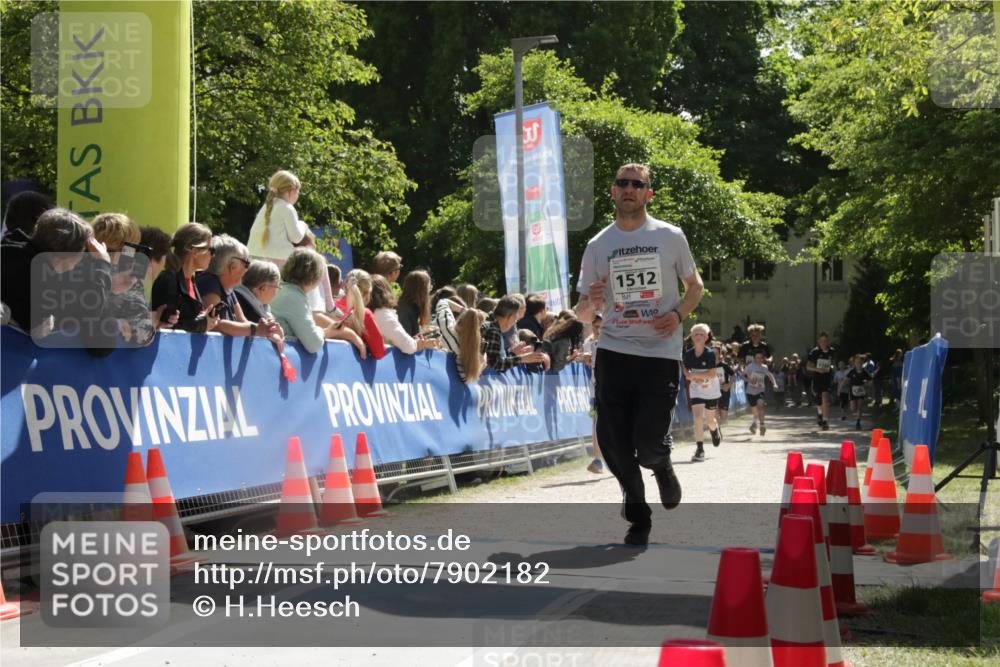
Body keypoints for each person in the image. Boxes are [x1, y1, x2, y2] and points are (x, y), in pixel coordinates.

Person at [575, 163, 704, 546]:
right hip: (614, 349)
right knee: (612, 440)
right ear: (613, 192)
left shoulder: (670, 236)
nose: (629, 188)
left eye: (637, 184)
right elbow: (582, 310)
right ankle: (638, 514)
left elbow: (695, 286)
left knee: (647, 442)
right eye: (622, 183)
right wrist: (591, 304)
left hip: (659, 353)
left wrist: (678, 313)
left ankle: (661, 465)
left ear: (648, 193)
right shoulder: (598, 245)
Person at [1, 207, 117, 354]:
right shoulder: (43, 279)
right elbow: (91, 313)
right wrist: (103, 264)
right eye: (82, 250)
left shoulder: (10, 250)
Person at [247, 170, 334, 313]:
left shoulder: (266, 207)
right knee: (313, 263)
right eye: (297, 191)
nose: (298, 195)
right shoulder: (287, 208)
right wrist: (303, 224)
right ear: (291, 191)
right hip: (278, 259)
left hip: (255, 258)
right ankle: (325, 307)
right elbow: (297, 237)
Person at [271, 248, 365, 356]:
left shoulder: (285, 290)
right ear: (314, 276)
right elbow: (313, 344)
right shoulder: (294, 296)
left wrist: (327, 331)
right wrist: (327, 332)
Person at [197, 234, 284, 347]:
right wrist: (256, 329)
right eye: (246, 263)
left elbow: (243, 321)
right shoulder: (209, 281)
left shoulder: (229, 289)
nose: (248, 269)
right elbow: (215, 324)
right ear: (232, 267)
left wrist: (269, 329)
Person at [91, 213, 164, 347]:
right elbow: (144, 335)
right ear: (127, 248)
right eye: (133, 246)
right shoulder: (127, 279)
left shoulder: (74, 264)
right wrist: (156, 318)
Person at [151, 222, 219, 334]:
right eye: (211, 250)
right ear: (195, 251)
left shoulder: (192, 281)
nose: (213, 255)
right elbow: (164, 325)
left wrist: (204, 318)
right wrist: (200, 324)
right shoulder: (168, 280)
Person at [683, 324, 722, 463]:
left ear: (706, 338)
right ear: (692, 337)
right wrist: (688, 375)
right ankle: (700, 449)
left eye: (701, 334)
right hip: (696, 390)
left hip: (711, 390)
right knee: (698, 418)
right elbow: (686, 370)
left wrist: (695, 376)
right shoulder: (688, 354)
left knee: (709, 420)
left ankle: (714, 428)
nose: (698, 337)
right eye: (696, 334)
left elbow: (712, 374)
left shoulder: (710, 353)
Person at [480, 295, 549, 372]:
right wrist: (522, 359)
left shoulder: (493, 328)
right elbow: (496, 364)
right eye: (515, 318)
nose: (515, 323)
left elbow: (496, 359)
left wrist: (513, 354)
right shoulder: (493, 331)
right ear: (509, 317)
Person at [371, 275, 435, 354]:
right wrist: (423, 344)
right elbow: (407, 345)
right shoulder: (385, 314)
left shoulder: (374, 312)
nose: (430, 292)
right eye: (428, 288)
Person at [336, 269, 386, 360]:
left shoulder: (330, 307)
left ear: (345, 287)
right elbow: (379, 353)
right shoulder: (364, 314)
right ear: (367, 294)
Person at [581, 314, 604, 473]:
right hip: (596, 391)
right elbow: (586, 358)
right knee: (596, 424)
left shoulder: (616, 342)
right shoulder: (589, 343)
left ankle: (622, 455)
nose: (598, 329)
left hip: (616, 389)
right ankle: (597, 460)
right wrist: (586, 358)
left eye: (601, 325)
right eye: (595, 326)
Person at [806, 331, 836, 431]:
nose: (823, 343)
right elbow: (808, 366)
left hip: (827, 378)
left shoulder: (832, 351)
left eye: (825, 341)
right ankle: (820, 414)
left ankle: (825, 421)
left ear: (828, 341)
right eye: (821, 341)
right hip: (817, 379)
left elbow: (834, 364)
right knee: (819, 402)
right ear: (818, 341)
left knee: (825, 397)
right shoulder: (814, 352)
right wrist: (818, 369)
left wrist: (832, 368)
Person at [743, 351, 778, 435]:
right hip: (750, 391)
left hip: (760, 390)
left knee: (760, 405)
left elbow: (770, 375)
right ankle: (754, 423)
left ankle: (762, 425)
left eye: (760, 358)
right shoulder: (750, 366)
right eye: (757, 358)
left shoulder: (764, 367)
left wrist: (775, 384)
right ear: (754, 358)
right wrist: (749, 380)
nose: (759, 360)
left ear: (763, 359)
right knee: (755, 411)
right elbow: (742, 375)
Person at [453, 308, 485, 383]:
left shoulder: (450, 333)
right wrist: (482, 364)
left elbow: (443, 303)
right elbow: (466, 379)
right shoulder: (469, 345)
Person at [396, 269, 432, 337]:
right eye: (428, 287)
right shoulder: (405, 311)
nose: (429, 291)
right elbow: (407, 342)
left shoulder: (413, 307)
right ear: (421, 290)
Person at [847, 354, 870, 430]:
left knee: (859, 407)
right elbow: (846, 379)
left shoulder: (864, 372)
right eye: (857, 362)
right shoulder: (852, 372)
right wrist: (842, 383)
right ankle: (856, 415)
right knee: (853, 408)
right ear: (854, 363)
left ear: (862, 363)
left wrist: (866, 382)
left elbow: (871, 380)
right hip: (852, 391)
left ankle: (858, 422)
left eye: (860, 362)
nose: (858, 364)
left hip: (861, 391)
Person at [714, 342, 735, 422]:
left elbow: (733, 376)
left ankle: (718, 428)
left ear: (720, 354)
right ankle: (717, 431)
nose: (714, 355)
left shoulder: (724, 365)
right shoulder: (708, 366)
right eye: (712, 353)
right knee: (714, 414)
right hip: (713, 393)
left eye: (716, 353)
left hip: (724, 392)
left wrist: (728, 385)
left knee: (723, 417)